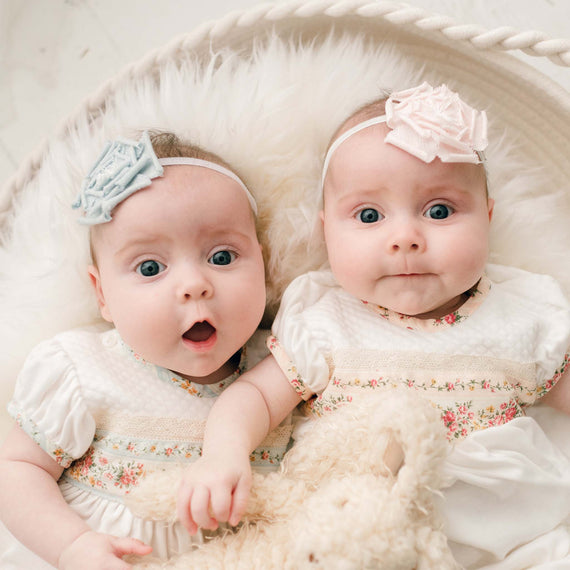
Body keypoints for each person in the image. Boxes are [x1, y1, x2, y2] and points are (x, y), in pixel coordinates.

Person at [177, 83, 570, 568]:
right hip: (363, 537)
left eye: (439, 210)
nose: (405, 237)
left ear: (488, 219)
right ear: (326, 231)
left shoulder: (521, 316)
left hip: (516, 544)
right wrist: (223, 455)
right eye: (369, 215)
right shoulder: (326, 324)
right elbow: (253, 398)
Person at [0, 131, 292, 569]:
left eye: (222, 257)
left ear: (264, 266)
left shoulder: (283, 366)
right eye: (151, 267)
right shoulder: (84, 371)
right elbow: (17, 469)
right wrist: (71, 546)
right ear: (103, 295)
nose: (195, 284)